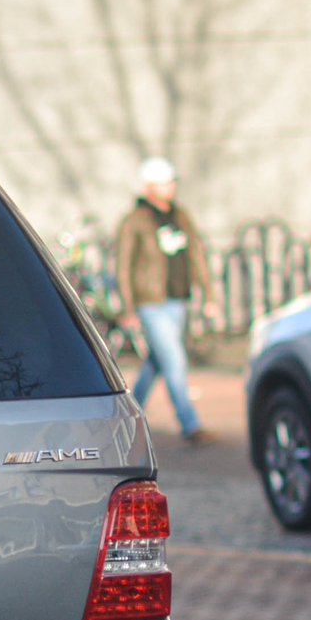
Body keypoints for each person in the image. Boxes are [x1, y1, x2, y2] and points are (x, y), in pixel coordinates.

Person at [113, 157, 216, 444]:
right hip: (150, 301)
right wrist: (128, 307)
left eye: (171, 181)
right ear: (148, 186)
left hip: (177, 298)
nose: (170, 187)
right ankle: (190, 424)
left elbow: (196, 253)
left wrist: (208, 294)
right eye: (164, 182)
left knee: (156, 362)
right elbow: (123, 266)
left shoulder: (180, 215)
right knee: (174, 360)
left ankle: (127, 417)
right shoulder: (134, 220)